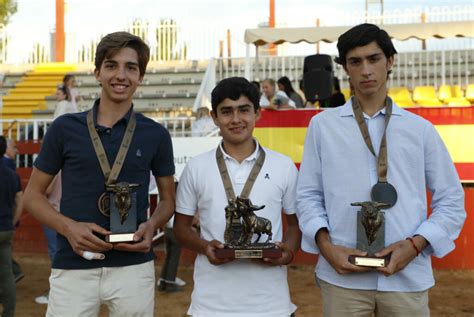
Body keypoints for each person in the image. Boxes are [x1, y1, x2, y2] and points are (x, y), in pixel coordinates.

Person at [296, 23, 466, 317]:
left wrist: (415, 246)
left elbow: (451, 201)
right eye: (355, 61)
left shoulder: (420, 130)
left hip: (406, 278)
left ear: (390, 61)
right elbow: (308, 196)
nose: (365, 70)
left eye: (373, 59)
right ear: (345, 69)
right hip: (342, 277)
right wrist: (326, 247)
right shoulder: (322, 127)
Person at [23, 31, 176, 317]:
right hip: (74, 263)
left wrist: (153, 224)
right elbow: (32, 197)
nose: (121, 75)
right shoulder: (64, 128)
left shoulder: (155, 134)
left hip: (133, 266)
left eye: (131, 67)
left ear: (141, 77)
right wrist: (69, 228)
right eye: (111, 65)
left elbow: (168, 200)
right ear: (97, 73)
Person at [174, 77, 301, 316]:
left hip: (271, 305)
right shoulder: (196, 166)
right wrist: (204, 246)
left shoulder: (282, 166)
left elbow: (294, 225)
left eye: (244, 110)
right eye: (226, 112)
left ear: (257, 113)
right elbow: (181, 228)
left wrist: (288, 253)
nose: (235, 120)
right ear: (214, 117)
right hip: (210, 306)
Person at [35, 84, 78, 305]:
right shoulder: (67, 159)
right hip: (68, 212)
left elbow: (48, 189)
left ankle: (57, 295)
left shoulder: (50, 162)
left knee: (57, 254)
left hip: (52, 212)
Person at [0, 136, 23, 317]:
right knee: (7, 274)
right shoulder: (11, 174)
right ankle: (8, 313)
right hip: (6, 228)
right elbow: (20, 201)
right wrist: (13, 222)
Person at [156, 181, 186, 293]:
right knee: (174, 256)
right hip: (174, 228)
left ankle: (163, 282)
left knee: (169, 255)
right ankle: (169, 283)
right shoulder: (179, 198)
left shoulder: (166, 197)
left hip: (168, 228)